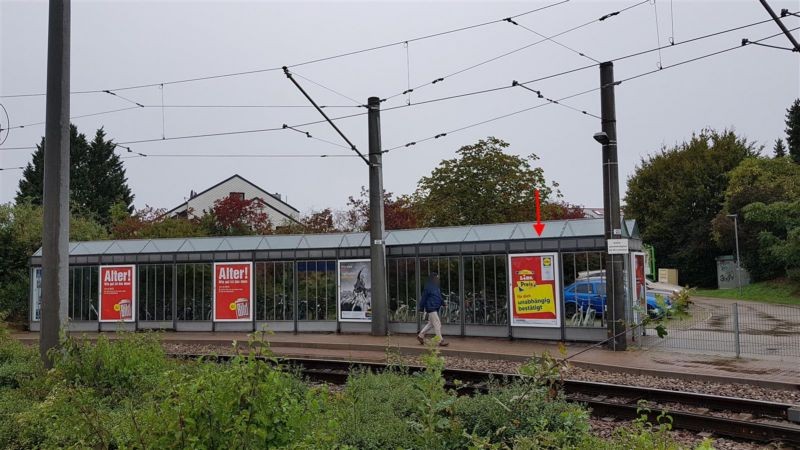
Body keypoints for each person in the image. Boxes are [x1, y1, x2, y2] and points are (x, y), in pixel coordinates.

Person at [417, 273, 448, 346]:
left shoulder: (436, 287)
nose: (438, 280)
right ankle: (440, 340)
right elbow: (424, 298)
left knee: (431, 324)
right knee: (437, 323)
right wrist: (421, 308)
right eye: (437, 278)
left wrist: (443, 303)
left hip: (434, 307)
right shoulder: (428, 287)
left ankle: (420, 336)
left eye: (438, 278)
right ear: (433, 278)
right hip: (431, 307)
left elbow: (439, 297)